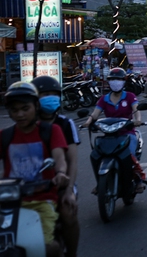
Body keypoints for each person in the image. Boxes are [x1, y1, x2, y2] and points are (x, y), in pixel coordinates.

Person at [2, 81, 69, 257]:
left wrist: (61, 173)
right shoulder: (5, 136)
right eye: (15, 110)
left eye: (25, 108)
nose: (20, 114)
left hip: (43, 200)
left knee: (45, 247)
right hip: (9, 203)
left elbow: (59, 159)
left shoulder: (51, 130)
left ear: (36, 107)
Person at [32, 76, 81, 257]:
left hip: (60, 184)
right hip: (29, 184)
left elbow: (72, 161)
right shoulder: (26, 124)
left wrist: (68, 189)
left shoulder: (65, 124)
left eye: (53, 94)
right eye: (45, 94)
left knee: (68, 213)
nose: (50, 97)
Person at [82, 68, 146, 193]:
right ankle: (100, 183)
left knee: (130, 155)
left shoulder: (129, 96)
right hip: (109, 135)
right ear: (108, 81)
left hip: (127, 133)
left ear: (124, 81)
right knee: (96, 155)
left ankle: (138, 180)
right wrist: (88, 122)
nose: (115, 82)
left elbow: (136, 110)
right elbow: (95, 114)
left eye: (119, 79)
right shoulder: (104, 99)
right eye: (112, 79)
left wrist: (137, 120)